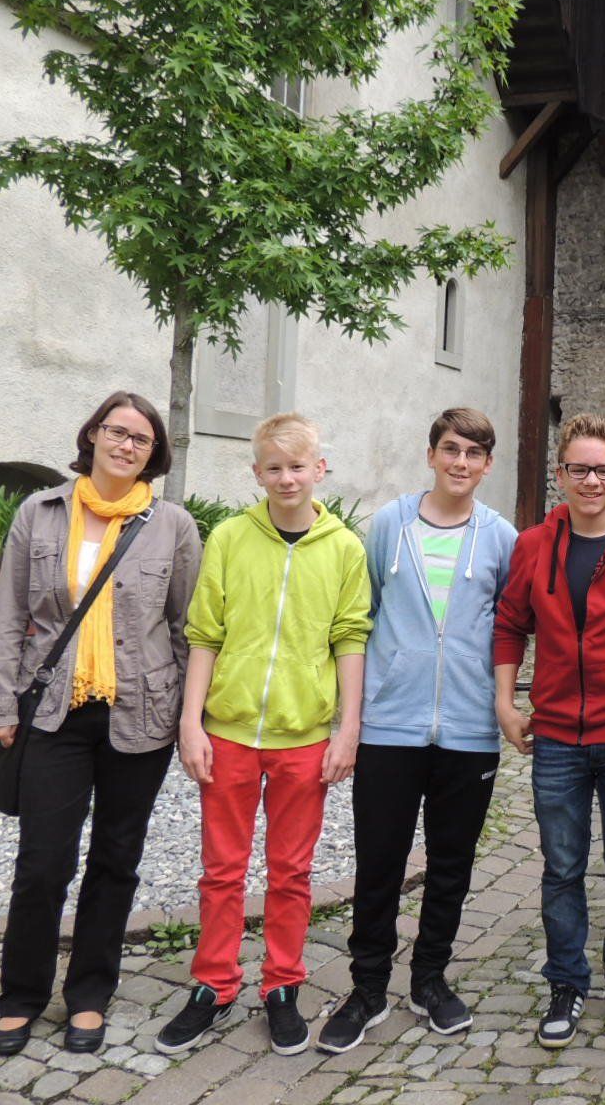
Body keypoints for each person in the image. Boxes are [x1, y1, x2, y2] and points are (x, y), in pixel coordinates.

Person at [0, 391, 201, 1057]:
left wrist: (191, 717)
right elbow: (10, 614)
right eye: (117, 432)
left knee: (116, 860)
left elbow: (186, 627)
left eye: (141, 439)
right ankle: (21, 997)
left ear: (153, 453)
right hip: (54, 713)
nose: (127, 445)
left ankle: (90, 994)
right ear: (93, 435)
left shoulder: (173, 525)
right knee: (43, 863)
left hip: (142, 714)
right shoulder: (40, 512)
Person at [157, 413, 372, 1058]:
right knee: (222, 871)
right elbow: (204, 634)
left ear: (319, 469)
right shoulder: (229, 538)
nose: (286, 478)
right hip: (228, 734)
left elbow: (350, 638)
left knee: (291, 871)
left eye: (298, 466)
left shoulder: (343, 549)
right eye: (274, 468)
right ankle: (214, 984)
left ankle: (282, 985)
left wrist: (348, 730)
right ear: (256, 473)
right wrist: (191, 723)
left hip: (303, 738)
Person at [317, 407, 518, 1053]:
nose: (461, 462)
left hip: (469, 729)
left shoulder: (501, 538)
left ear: (488, 465)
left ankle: (429, 979)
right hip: (390, 728)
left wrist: (503, 702)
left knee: (451, 865)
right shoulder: (389, 526)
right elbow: (363, 617)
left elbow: (509, 631)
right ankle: (368, 988)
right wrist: (352, 720)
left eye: (474, 453)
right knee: (379, 863)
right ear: (431, 454)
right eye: (451, 449)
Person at [492, 413, 605, 1050]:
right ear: (561, 475)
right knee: (562, 869)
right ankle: (566, 984)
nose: (591, 480)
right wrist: (505, 703)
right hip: (557, 740)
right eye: (579, 469)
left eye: (603, 470)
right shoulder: (533, 546)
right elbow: (510, 624)